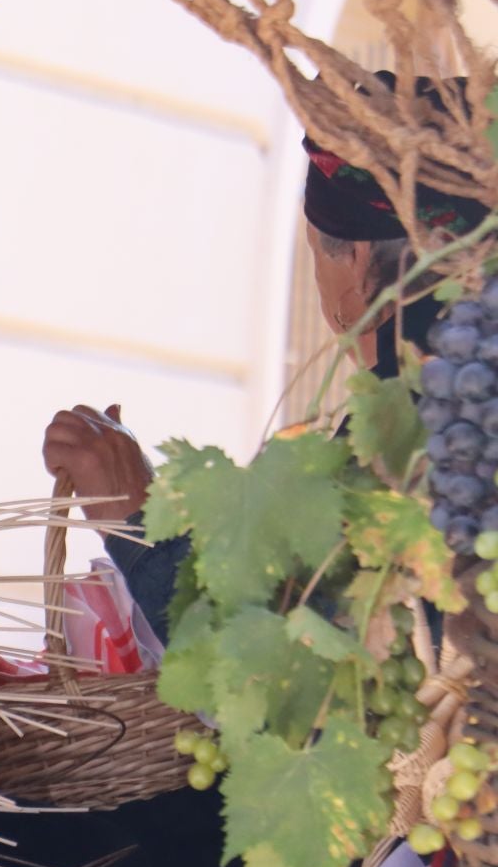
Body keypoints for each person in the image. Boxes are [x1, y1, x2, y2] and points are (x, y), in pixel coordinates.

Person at [43, 75, 488, 633]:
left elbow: (261, 664)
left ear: (354, 259)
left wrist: (131, 514)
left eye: (315, 255)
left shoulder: (401, 444)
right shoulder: (470, 402)